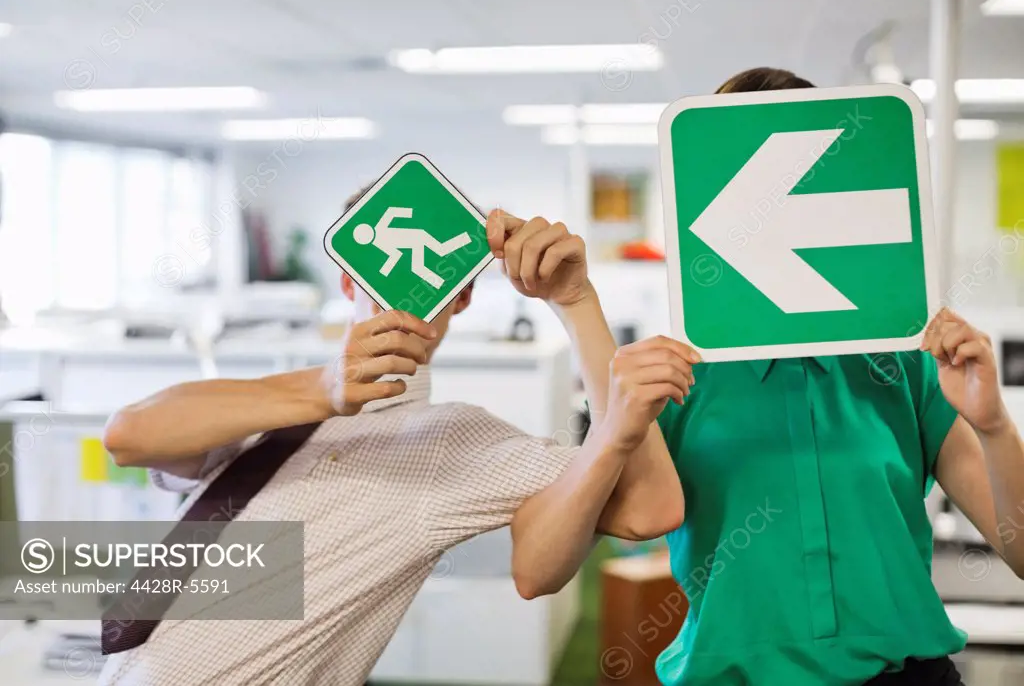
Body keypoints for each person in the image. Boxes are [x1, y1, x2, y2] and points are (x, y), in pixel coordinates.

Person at [485, 67, 1024, 686]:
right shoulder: (673, 377)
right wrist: (579, 311)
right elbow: (538, 571)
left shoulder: (904, 363)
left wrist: (994, 424)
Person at [95, 189, 696, 685]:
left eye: (434, 273)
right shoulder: (268, 410)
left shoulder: (452, 441)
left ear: (458, 299)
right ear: (347, 283)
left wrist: (576, 303)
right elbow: (127, 435)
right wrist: (323, 388)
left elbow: (648, 510)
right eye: (376, 266)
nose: (402, 288)